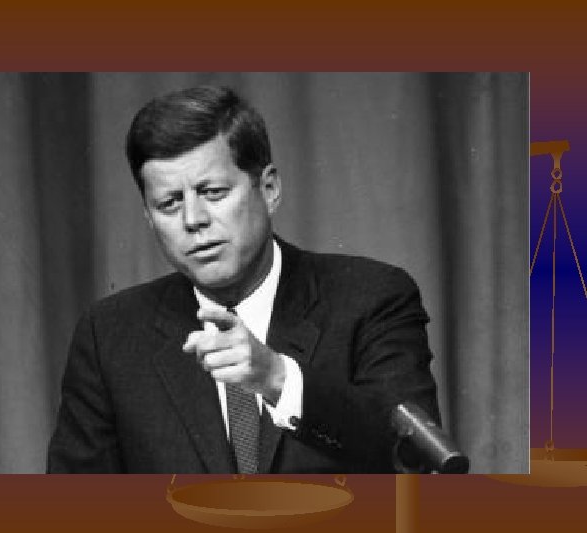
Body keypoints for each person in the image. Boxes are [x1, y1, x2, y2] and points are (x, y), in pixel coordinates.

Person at [47, 85, 440, 473]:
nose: (193, 220)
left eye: (213, 192)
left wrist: (278, 379)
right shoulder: (110, 335)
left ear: (269, 189)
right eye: (169, 203)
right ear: (149, 218)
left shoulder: (372, 298)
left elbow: (416, 461)